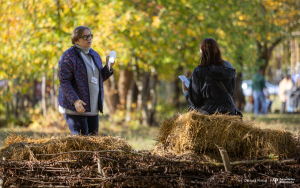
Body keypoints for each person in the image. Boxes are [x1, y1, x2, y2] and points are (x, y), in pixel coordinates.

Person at [58, 26, 115, 135]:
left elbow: (99, 78)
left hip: (92, 108)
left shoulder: (95, 54)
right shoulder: (68, 56)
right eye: (85, 37)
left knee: (93, 142)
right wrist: (75, 100)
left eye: (90, 36)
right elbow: (64, 81)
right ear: (76, 40)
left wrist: (108, 67)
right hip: (75, 107)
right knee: (83, 143)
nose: (89, 39)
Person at [181, 38, 241, 116]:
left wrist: (186, 93)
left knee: (191, 108)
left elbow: (194, 100)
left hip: (208, 112)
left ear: (203, 52)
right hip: (229, 110)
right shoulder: (228, 67)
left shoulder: (199, 71)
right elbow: (231, 92)